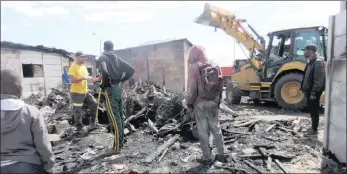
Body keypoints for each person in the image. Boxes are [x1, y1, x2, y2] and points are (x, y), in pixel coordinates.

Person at [1, 69, 55, 173]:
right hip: (29, 166)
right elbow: (42, 144)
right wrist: (49, 165)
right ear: (20, 89)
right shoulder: (31, 112)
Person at [186, 45, 226, 165]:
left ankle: (207, 158)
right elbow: (221, 87)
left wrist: (189, 103)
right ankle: (221, 155)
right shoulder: (216, 65)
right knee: (216, 129)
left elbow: (192, 89)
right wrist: (217, 102)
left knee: (203, 132)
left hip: (200, 104)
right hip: (213, 103)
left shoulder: (193, 67)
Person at [97, 41, 135, 154]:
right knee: (119, 116)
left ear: (104, 48)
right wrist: (122, 80)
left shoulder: (103, 57)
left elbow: (104, 70)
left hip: (110, 90)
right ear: (112, 48)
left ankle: (117, 147)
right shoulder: (117, 58)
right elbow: (131, 70)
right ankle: (121, 141)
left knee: (114, 118)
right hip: (118, 88)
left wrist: (106, 83)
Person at [69, 51, 100, 131]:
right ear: (76, 57)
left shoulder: (84, 67)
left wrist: (97, 79)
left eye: (84, 57)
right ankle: (79, 128)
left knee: (95, 104)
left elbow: (88, 78)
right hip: (76, 93)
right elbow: (73, 80)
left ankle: (93, 124)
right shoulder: (73, 67)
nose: (84, 58)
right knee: (78, 111)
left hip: (85, 92)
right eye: (82, 57)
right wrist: (83, 78)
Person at [300, 44, 325, 136]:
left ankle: (314, 129)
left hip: (313, 91)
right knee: (311, 109)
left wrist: (314, 93)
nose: (303, 52)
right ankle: (313, 127)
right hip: (310, 91)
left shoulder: (317, 62)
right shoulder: (311, 62)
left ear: (310, 50)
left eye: (304, 50)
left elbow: (319, 80)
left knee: (314, 110)